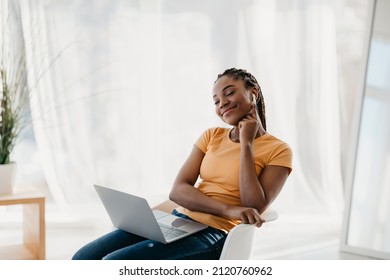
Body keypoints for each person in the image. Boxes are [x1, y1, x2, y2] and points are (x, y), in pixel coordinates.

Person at [72, 68, 293, 260]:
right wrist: (229, 209)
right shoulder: (211, 135)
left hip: (214, 233)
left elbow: (253, 207)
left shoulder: (278, 150)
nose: (222, 103)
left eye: (229, 93)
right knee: (83, 258)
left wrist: (247, 144)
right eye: (216, 100)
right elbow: (178, 191)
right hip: (177, 220)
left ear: (252, 92)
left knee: (115, 263)